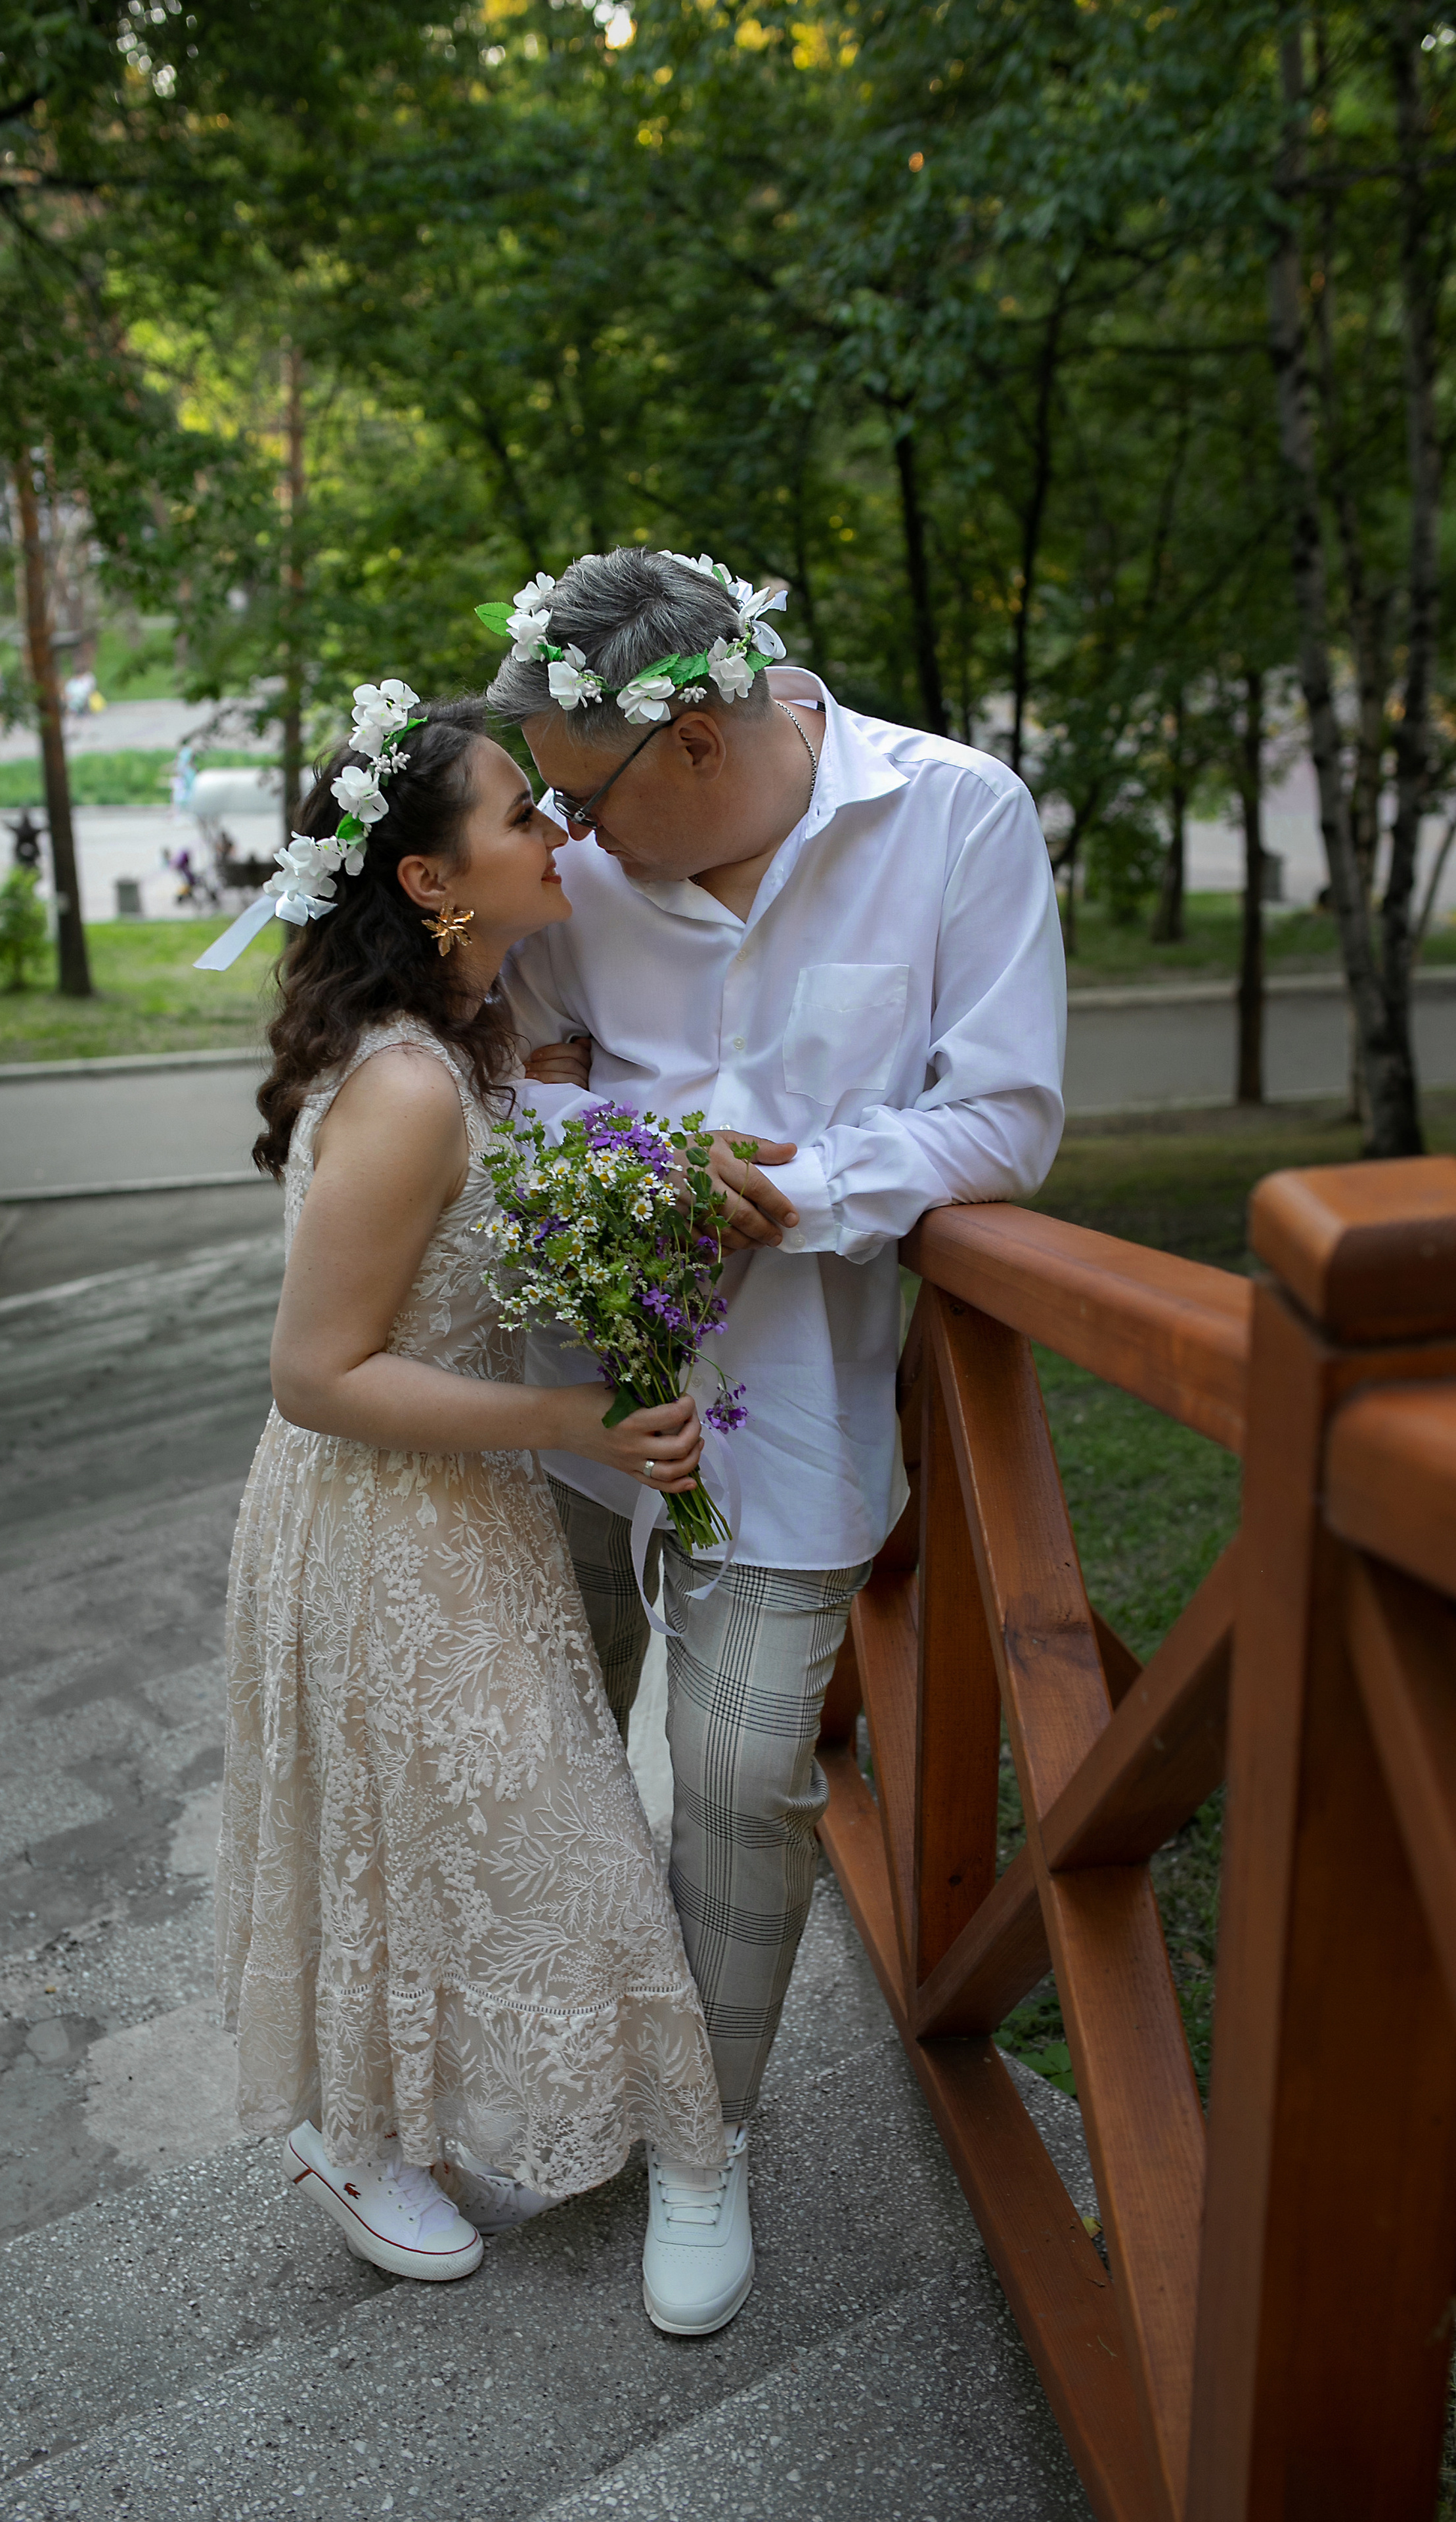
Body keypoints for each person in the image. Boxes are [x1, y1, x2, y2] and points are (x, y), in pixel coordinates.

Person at [489, 546, 1067, 2337]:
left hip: (799, 1395)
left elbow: (1010, 1117)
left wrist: (811, 1189)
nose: (558, 841)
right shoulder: (580, 850)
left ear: (701, 746)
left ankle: (703, 2139)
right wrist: (594, 1146)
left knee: (743, 1775)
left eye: (577, 801)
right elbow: (512, 1042)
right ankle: (564, 2074)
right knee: (545, 1724)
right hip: (569, 1392)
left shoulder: (956, 817)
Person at [211, 684, 726, 2296]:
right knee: (437, 1829)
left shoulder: (464, 1047)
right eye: (520, 814)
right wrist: (570, 1417)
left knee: (475, 1828)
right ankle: (354, 2135)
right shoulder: (409, 1086)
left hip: (456, 1509)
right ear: (430, 884)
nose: (556, 828)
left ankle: (409, 2116)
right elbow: (314, 1372)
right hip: (377, 1521)